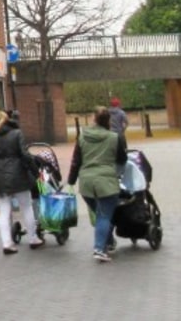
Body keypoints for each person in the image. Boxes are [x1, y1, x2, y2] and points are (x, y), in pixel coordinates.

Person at [67, 107, 128, 263]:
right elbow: (122, 159)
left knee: (101, 215)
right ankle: (99, 249)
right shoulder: (115, 137)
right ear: (108, 121)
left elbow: (76, 162)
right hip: (107, 182)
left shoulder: (82, 137)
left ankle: (109, 242)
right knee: (104, 215)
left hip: (86, 184)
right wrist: (117, 173)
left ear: (93, 119)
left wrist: (71, 182)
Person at [0, 109, 44, 254]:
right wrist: (35, 172)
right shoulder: (17, 133)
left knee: (4, 211)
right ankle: (33, 238)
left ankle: (7, 243)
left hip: (0, 174)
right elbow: (25, 155)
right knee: (26, 206)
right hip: (18, 174)